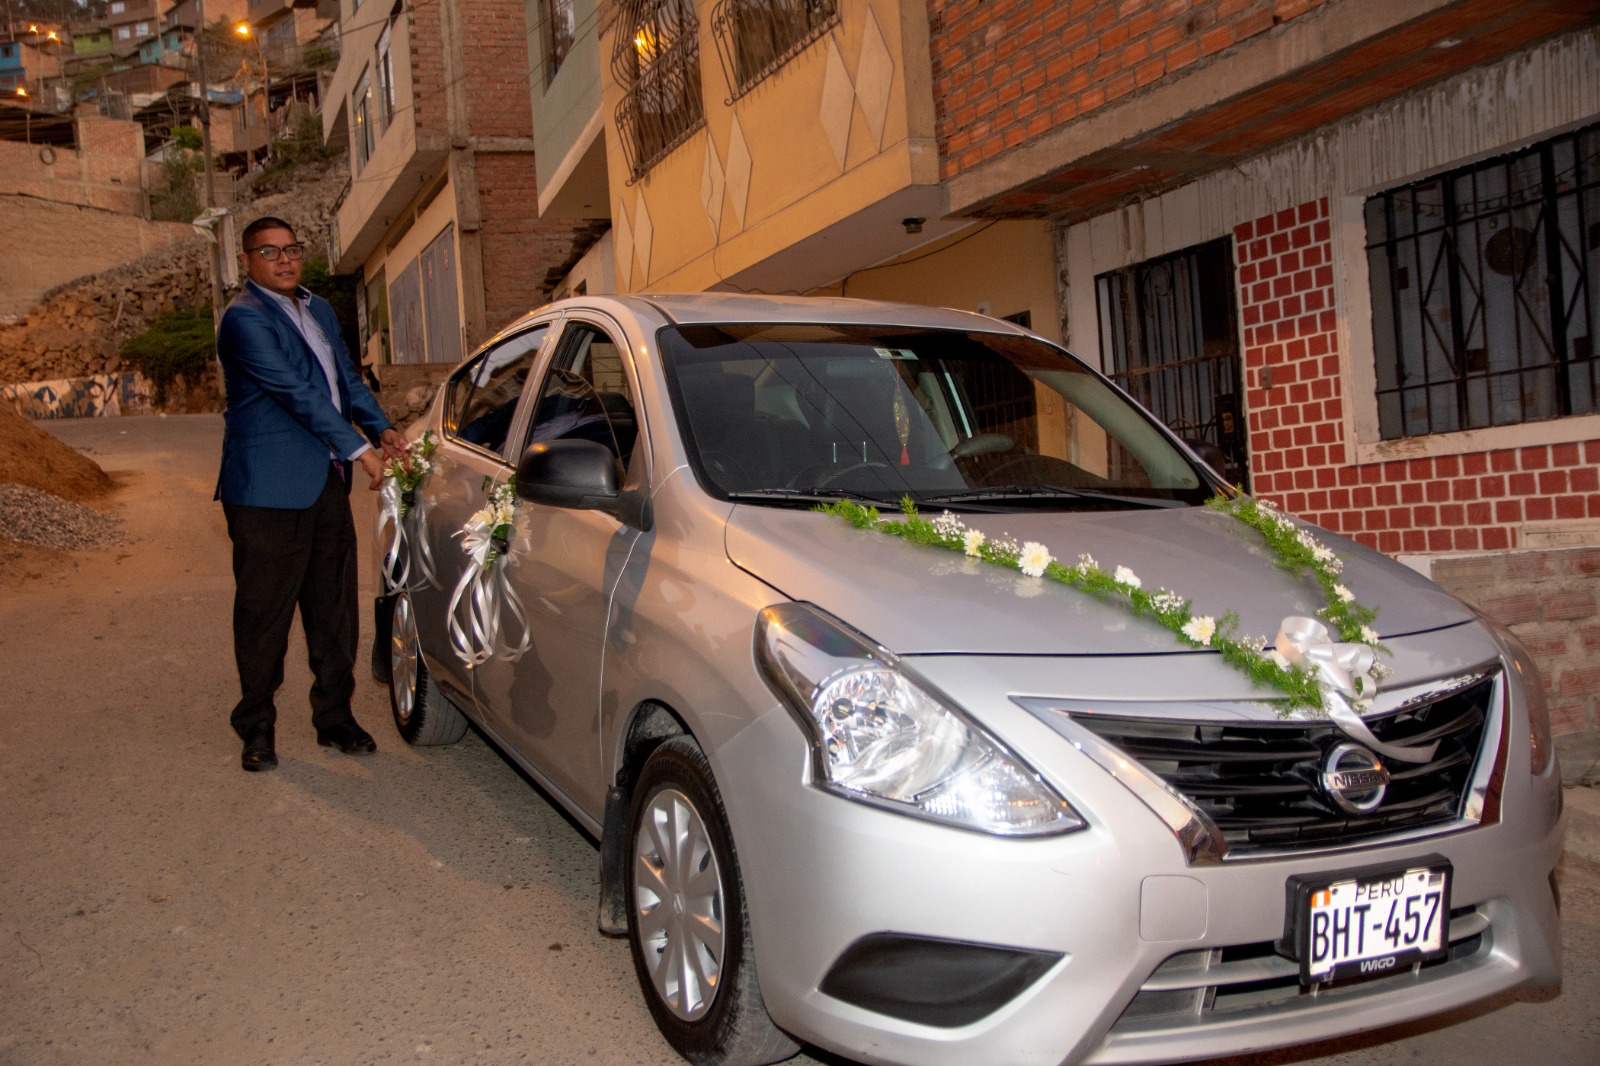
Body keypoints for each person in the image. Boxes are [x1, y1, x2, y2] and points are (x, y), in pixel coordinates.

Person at [215, 216, 408, 772]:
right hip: (265, 489)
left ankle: (335, 716)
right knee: (264, 614)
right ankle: (255, 725)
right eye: (269, 251)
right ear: (247, 261)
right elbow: (296, 393)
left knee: (333, 609)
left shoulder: (318, 310)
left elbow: (345, 381)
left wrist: (382, 428)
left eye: (292, 249)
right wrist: (359, 450)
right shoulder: (244, 320)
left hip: (323, 482)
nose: (283, 259)